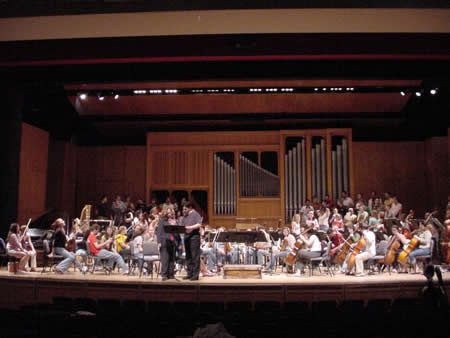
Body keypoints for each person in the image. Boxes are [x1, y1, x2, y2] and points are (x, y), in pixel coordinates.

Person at [157, 207, 180, 281]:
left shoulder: (175, 221)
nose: (169, 214)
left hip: (173, 242)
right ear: (165, 213)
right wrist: (159, 242)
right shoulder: (162, 221)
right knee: (165, 259)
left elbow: (177, 233)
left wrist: (174, 226)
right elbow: (159, 232)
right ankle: (164, 275)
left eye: (170, 212)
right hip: (164, 241)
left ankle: (171, 274)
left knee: (172, 259)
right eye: (168, 212)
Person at [181, 202, 202, 281]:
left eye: (185, 209)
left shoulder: (196, 214)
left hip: (194, 237)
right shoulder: (185, 216)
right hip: (187, 237)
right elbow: (182, 226)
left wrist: (190, 227)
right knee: (188, 256)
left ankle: (195, 275)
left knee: (195, 256)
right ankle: (189, 274)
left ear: (190, 208)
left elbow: (199, 224)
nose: (184, 210)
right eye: (183, 209)